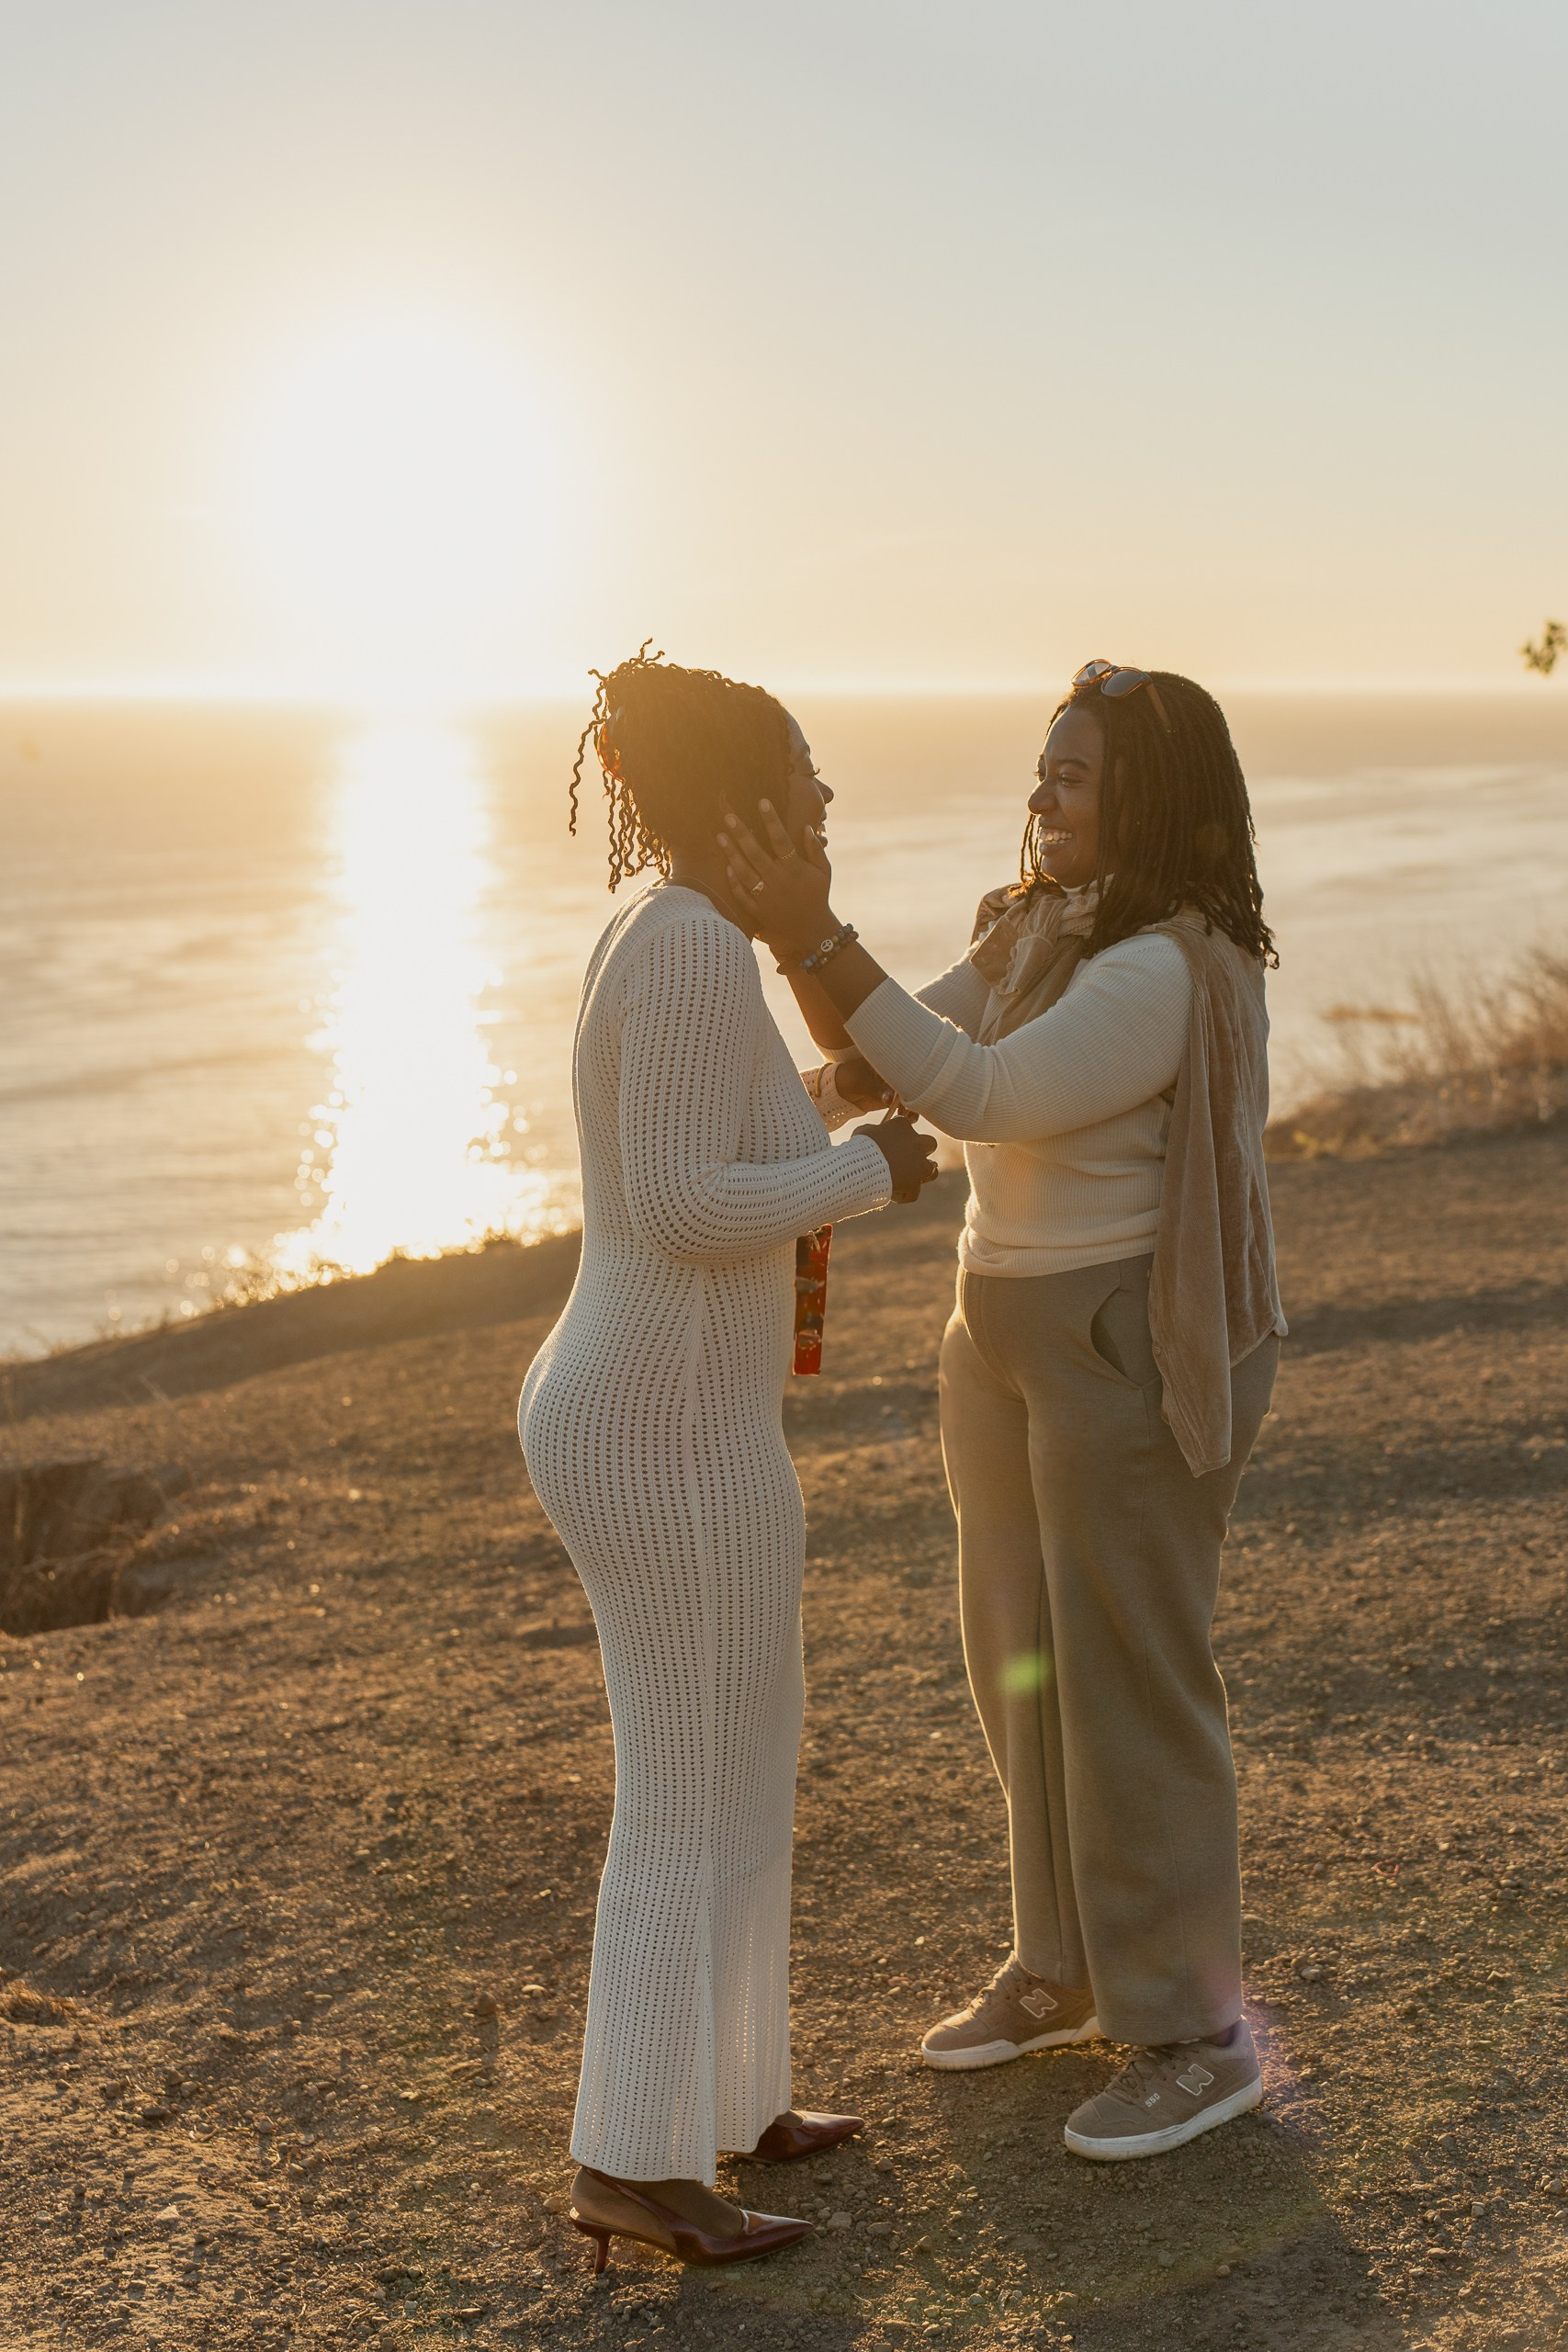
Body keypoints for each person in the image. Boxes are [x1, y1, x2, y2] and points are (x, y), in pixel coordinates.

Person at [719, 660, 1286, 2163]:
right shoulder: (1038, 930)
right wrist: (768, 1059)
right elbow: (889, 1052)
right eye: (1043, 769)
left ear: (1144, 798)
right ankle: (1061, 1966)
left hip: (1124, 1345)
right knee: (1020, 1664)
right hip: (1001, 1334)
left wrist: (811, 933)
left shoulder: (1165, 968)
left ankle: (1192, 2033)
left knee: (1133, 1684)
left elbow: (972, 1088)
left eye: (1076, 775)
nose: (1044, 796)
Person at [518, 650, 937, 2268]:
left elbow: (738, 1130)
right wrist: (870, 1176)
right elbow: (683, 1201)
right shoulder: (689, 946)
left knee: (748, 1762)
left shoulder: (681, 931)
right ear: (746, 797)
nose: (826, 797)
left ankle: (737, 2096)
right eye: (806, 772)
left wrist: (838, 1104)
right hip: (659, 1434)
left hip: (687, 1424)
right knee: (684, 1797)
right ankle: (631, 2161)